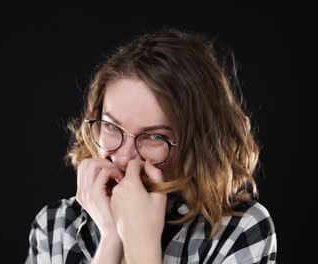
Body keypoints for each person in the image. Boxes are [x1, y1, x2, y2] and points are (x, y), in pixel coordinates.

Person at [24, 28, 277, 264]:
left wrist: (141, 244)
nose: (124, 158)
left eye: (154, 137)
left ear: (197, 145)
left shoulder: (240, 229)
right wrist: (111, 237)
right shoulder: (53, 226)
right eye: (112, 127)